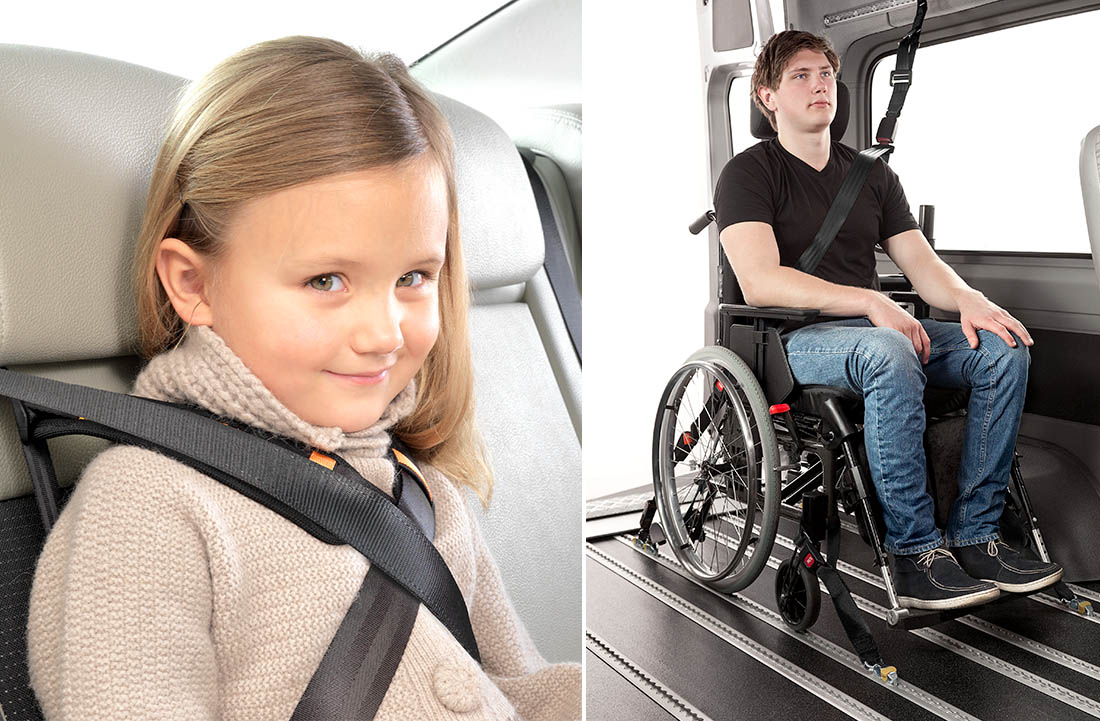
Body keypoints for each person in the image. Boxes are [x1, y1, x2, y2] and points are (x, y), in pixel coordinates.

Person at [26, 36, 581, 720]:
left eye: (413, 277)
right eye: (326, 280)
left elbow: (515, 686)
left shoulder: (425, 495)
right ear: (193, 283)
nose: (383, 332)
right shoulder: (149, 505)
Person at [713, 30, 1062, 611]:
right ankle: (914, 551)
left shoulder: (871, 175)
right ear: (767, 94)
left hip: (867, 335)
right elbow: (760, 280)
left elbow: (924, 268)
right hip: (794, 339)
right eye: (800, 75)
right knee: (890, 351)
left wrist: (969, 300)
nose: (819, 84)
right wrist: (872, 302)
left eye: (826, 74)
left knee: (1003, 349)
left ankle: (977, 533)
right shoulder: (747, 174)